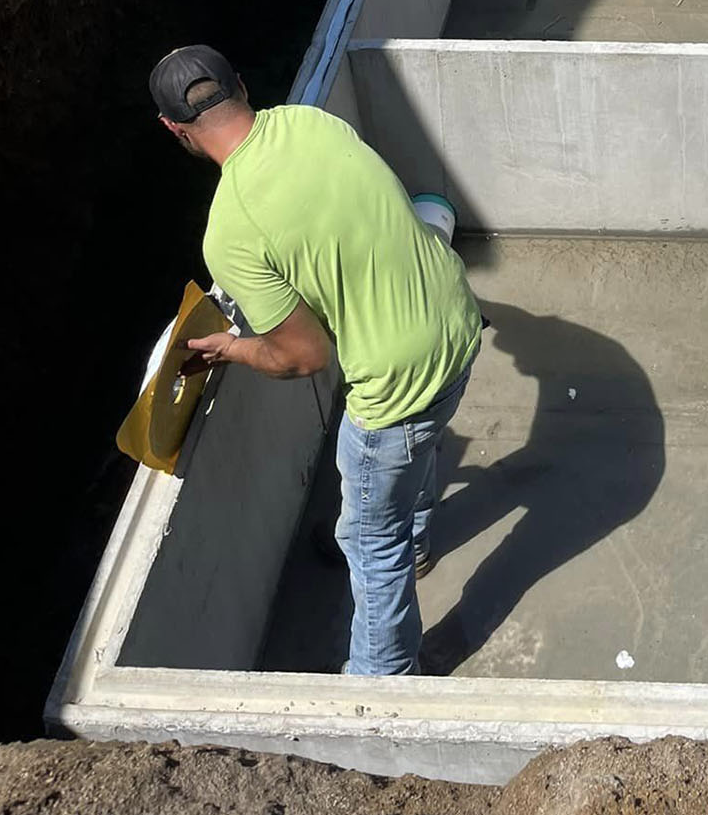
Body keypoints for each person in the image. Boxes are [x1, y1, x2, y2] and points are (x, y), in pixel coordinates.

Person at [149, 43, 483, 678]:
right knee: (420, 445)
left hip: (398, 383)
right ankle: (412, 545)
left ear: (173, 128)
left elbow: (302, 357)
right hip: (455, 321)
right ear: (241, 84)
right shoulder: (311, 122)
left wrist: (235, 347)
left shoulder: (231, 230)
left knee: (366, 537)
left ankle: (382, 683)